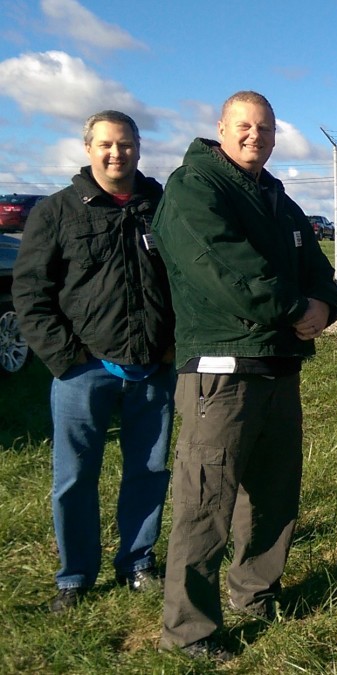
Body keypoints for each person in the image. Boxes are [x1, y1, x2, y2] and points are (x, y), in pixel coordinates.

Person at [152, 91, 337, 661]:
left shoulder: (276, 198)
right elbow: (226, 266)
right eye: (243, 126)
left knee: (273, 493)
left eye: (264, 128)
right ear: (220, 128)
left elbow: (318, 268)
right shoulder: (196, 188)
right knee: (206, 500)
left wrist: (325, 306)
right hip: (222, 369)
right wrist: (294, 309)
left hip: (278, 366)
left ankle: (256, 593)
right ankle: (189, 629)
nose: (254, 136)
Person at [12, 110, 175, 613]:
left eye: (125, 144)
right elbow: (30, 292)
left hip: (153, 368)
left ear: (139, 148)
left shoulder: (162, 206)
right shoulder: (58, 212)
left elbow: (186, 281)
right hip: (84, 373)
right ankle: (76, 574)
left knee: (149, 470)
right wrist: (68, 360)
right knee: (74, 478)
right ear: (88, 149)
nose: (116, 153)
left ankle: (138, 562)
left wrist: (172, 344)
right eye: (105, 144)